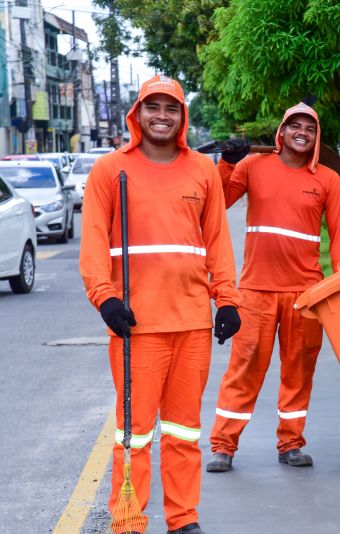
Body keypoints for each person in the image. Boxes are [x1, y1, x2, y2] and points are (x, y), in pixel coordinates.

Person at [80, 75, 241, 534]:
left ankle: (183, 517)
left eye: (170, 108)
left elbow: (217, 244)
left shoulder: (203, 171)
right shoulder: (111, 171)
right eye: (153, 107)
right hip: (137, 324)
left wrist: (227, 300)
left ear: (182, 116)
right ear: (138, 113)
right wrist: (105, 297)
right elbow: (92, 243)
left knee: (185, 431)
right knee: (134, 434)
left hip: (191, 324)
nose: (162, 116)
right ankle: (129, 520)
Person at [206, 102, 340, 472]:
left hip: (306, 295)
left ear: (317, 138)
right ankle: (223, 445)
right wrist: (226, 163)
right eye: (295, 126)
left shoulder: (328, 180)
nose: (302, 132)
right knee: (245, 367)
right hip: (255, 291)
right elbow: (218, 203)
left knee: (299, 370)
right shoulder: (253, 166)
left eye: (311, 128)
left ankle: (291, 443)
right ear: (282, 132)